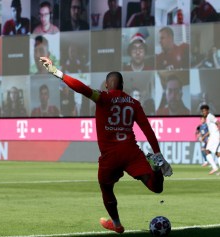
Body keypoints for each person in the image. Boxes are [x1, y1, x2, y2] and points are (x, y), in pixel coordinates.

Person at [39, 56, 172, 233]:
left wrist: (56, 72)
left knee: (106, 187)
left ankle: (117, 224)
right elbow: (148, 130)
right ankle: (155, 169)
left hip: (110, 156)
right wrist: (158, 154)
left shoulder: (102, 98)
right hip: (131, 152)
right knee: (156, 188)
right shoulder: (134, 103)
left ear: (106, 85)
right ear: (123, 86)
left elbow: (82, 88)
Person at [200, 105, 219, 174]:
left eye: (205, 111)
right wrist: (205, 136)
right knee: (218, 153)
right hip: (214, 135)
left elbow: (218, 122)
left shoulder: (210, 116)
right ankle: (215, 167)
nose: (204, 112)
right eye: (202, 111)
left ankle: (214, 167)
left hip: (215, 136)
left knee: (207, 151)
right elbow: (211, 129)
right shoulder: (208, 118)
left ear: (208, 110)